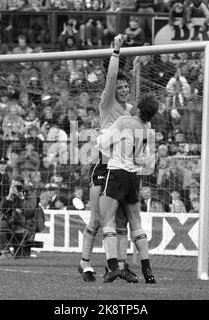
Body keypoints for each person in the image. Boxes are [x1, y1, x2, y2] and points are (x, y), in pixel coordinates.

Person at [78, 34, 137, 283]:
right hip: (103, 168)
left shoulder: (129, 111)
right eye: (120, 87)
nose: (122, 90)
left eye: (126, 87)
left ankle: (119, 265)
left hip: (121, 169)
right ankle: (85, 263)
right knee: (98, 218)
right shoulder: (107, 103)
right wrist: (116, 53)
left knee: (119, 219)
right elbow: (112, 78)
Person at [98, 93, 159, 284]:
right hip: (133, 177)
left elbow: (102, 144)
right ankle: (147, 269)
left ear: (139, 108)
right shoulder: (147, 128)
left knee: (107, 220)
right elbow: (144, 159)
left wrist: (105, 136)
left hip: (117, 173)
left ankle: (113, 267)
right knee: (136, 223)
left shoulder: (124, 121)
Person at [0, 175, 37, 259]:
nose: (15, 188)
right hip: (11, 223)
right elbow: (1, 210)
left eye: (17, 186)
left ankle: (6, 253)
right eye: (13, 186)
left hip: (24, 226)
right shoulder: (10, 193)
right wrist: (8, 197)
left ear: (23, 186)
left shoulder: (30, 193)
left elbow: (29, 211)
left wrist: (21, 198)